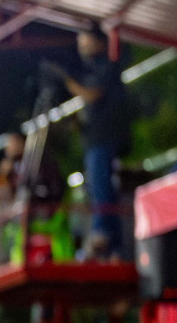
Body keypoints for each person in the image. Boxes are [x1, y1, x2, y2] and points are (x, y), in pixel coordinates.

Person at [46, 29, 129, 260]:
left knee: (102, 188)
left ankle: (103, 235)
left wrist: (66, 80)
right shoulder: (91, 68)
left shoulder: (107, 66)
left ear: (99, 40)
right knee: (96, 188)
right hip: (93, 140)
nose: (81, 44)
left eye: (85, 38)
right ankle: (111, 245)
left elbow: (93, 94)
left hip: (104, 139)